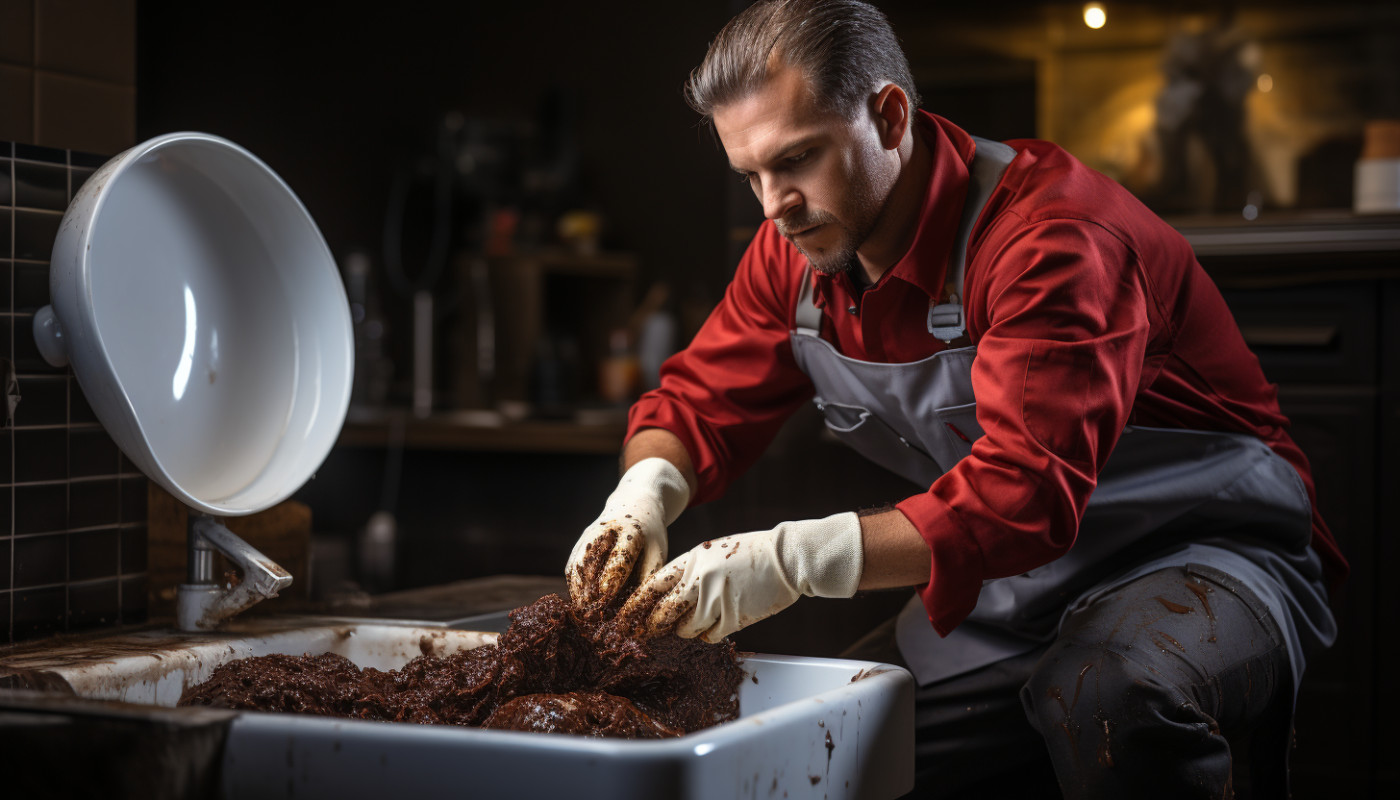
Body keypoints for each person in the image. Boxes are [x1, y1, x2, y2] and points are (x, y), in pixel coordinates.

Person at [565, 1, 1345, 796]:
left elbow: (1024, 493)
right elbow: (696, 404)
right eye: (751, 175)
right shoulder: (793, 253)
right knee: (829, 747)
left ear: (890, 116)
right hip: (1017, 588)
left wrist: (792, 562)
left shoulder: (1052, 237)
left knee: (1110, 697)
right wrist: (640, 498)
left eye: (798, 159)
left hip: (1205, 553)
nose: (773, 206)